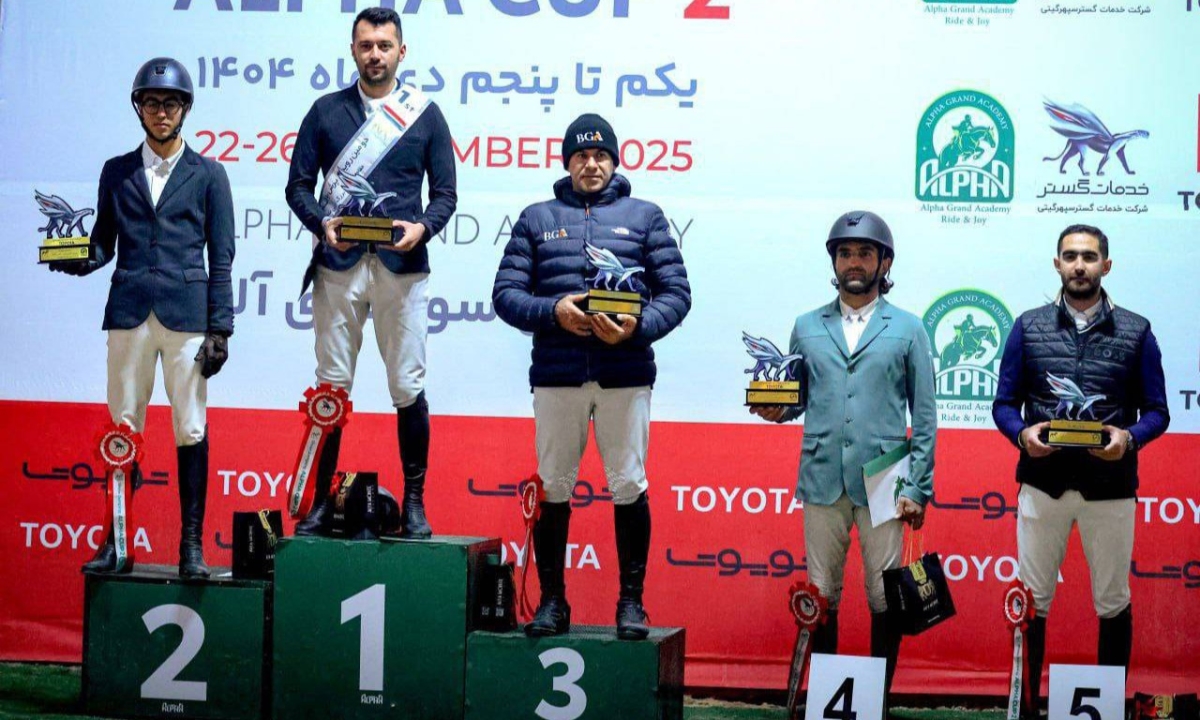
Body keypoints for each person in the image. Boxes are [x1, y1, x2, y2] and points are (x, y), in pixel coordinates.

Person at [493, 113, 691, 639]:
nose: (591, 164)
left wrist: (637, 327)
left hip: (625, 374)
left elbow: (676, 294)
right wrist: (553, 311)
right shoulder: (536, 218)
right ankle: (553, 602)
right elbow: (506, 295)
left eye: (601, 155)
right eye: (581, 156)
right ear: (567, 163)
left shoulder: (645, 217)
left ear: (615, 161)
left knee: (628, 484)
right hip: (557, 375)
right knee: (554, 485)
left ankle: (631, 604)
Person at [52, 57, 235, 578]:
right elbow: (102, 244)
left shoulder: (210, 174)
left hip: (187, 316)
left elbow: (221, 256)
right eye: (152, 102)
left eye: (170, 103)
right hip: (129, 312)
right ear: (138, 108)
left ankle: (191, 547)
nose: (161, 112)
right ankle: (117, 541)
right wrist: (75, 258)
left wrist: (221, 328)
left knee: (191, 427)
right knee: (122, 428)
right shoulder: (117, 170)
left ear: (186, 109)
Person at [285, 6, 457, 538]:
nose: (375, 55)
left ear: (401, 52)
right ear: (353, 50)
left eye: (384, 46)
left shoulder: (425, 115)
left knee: (407, 384)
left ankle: (415, 503)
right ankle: (320, 501)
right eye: (366, 46)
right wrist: (321, 223)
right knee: (330, 386)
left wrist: (422, 228)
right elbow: (297, 188)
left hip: (400, 269)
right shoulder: (324, 112)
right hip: (338, 267)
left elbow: (446, 195)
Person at [751, 211, 936, 703]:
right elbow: (796, 398)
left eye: (865, 253)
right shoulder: (806, 326)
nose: (854, 262)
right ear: (833, 261)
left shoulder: (909, 328)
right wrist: (777, 410)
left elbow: (925, 415)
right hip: (821, 476)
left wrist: (919, 486)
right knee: (820, 593)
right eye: (845, 253)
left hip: (886, 480)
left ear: (884, 262)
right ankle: (826, 699)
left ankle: (876, 699)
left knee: (885, 594)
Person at [992, 224, 1169, 719]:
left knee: (1112, 601)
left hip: (1110, 490)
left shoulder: (1137, 330)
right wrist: (1021, 434)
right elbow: (1003, 405)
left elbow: (1158, 411)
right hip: (1042, 486)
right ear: (1057, 264)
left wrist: (1128, 439)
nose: (1079, 265)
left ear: (1105, 266)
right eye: (1070, 256)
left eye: (1089, 257)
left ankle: (1107, 708)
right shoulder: (1028, 327)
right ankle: (1025, 710)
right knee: (1031, 601)